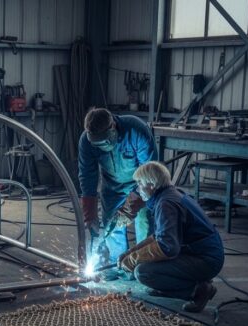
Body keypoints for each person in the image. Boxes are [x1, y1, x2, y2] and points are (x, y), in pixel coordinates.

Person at [118, 161, 224, 313]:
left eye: (140, 183)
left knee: (143, 272)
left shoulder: (166, 204)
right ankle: (174, 285)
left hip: (205, 260)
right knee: (145, 264)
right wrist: (130, 253)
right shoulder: (169, 195)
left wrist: (134, 259)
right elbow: (158, 236)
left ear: (152, 184)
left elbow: (167, 247)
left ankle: (198, 291)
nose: (138, 188)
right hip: (201, 253)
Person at [78, 108, 156, 279]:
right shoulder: (86, 141)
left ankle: (143, 266)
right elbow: (87, 177)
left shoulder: (136, 130)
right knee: (111, 226)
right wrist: (90, 215)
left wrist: (133, 203)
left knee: (144, 222)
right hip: (112, 187)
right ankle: (118, 264)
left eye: (105, 142)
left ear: (113, 126)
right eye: (98, 145)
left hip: (141, 184)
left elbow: (150, 172)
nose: (103, 148)